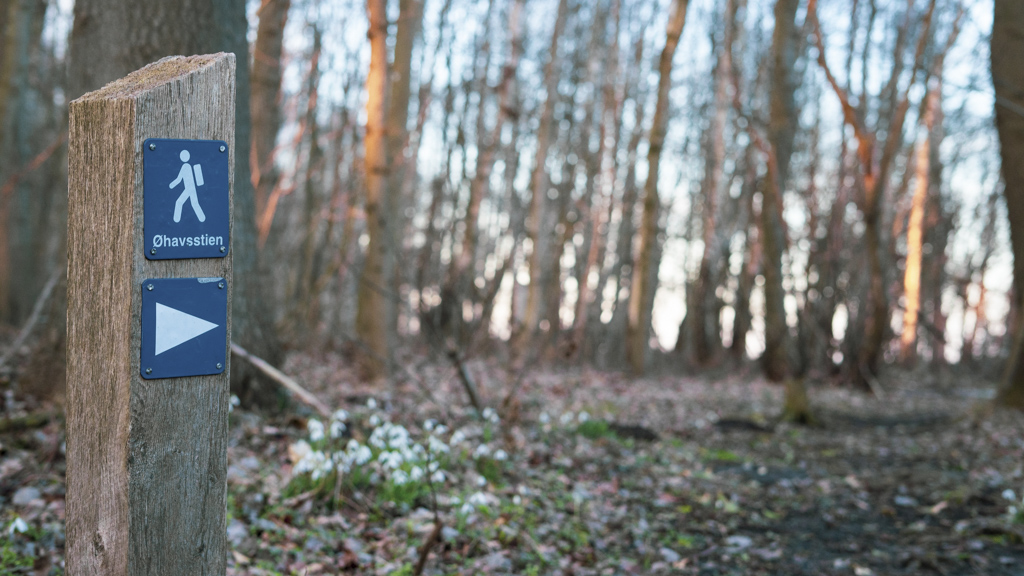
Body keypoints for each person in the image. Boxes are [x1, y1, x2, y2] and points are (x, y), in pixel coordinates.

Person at [170, 149, 206, 223]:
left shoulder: (185, 166)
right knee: (194, 204)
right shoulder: (188, 166)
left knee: (179, 202)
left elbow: (179, 179)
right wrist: (172, 185)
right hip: (190, 189)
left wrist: (172, 185)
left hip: (189, 189)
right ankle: (202, 219)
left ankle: (176, 221)